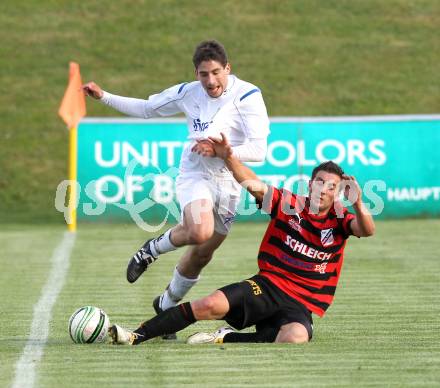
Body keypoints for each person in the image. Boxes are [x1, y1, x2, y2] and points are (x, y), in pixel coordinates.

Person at [108, 133, 375, 345]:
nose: (324, 189)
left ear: (338, 193)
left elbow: (366, 229)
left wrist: (360, 203)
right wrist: (227, 156)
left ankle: (226, 336)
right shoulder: (289, 204)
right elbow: (253, 184)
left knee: (295, 338)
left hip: (301, 302)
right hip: (267, 286)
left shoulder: (341, 219)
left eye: (332, 186)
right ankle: (136, 335)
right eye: (319, 182)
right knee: (209, 305)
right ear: (309, 184)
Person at [82, 40, 270, 337]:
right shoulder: (188, 92)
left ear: (228, 69)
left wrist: (223, 151)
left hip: (230, 180)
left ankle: (166, 304)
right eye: (204, 74)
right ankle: (151, 250)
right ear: (196, 73)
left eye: (216, 73)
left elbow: (259, 149)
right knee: (199, 231)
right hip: (195, 172)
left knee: (202, 255)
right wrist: (103, 96)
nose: (210, 81)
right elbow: (146, 108)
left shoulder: (247, 95)